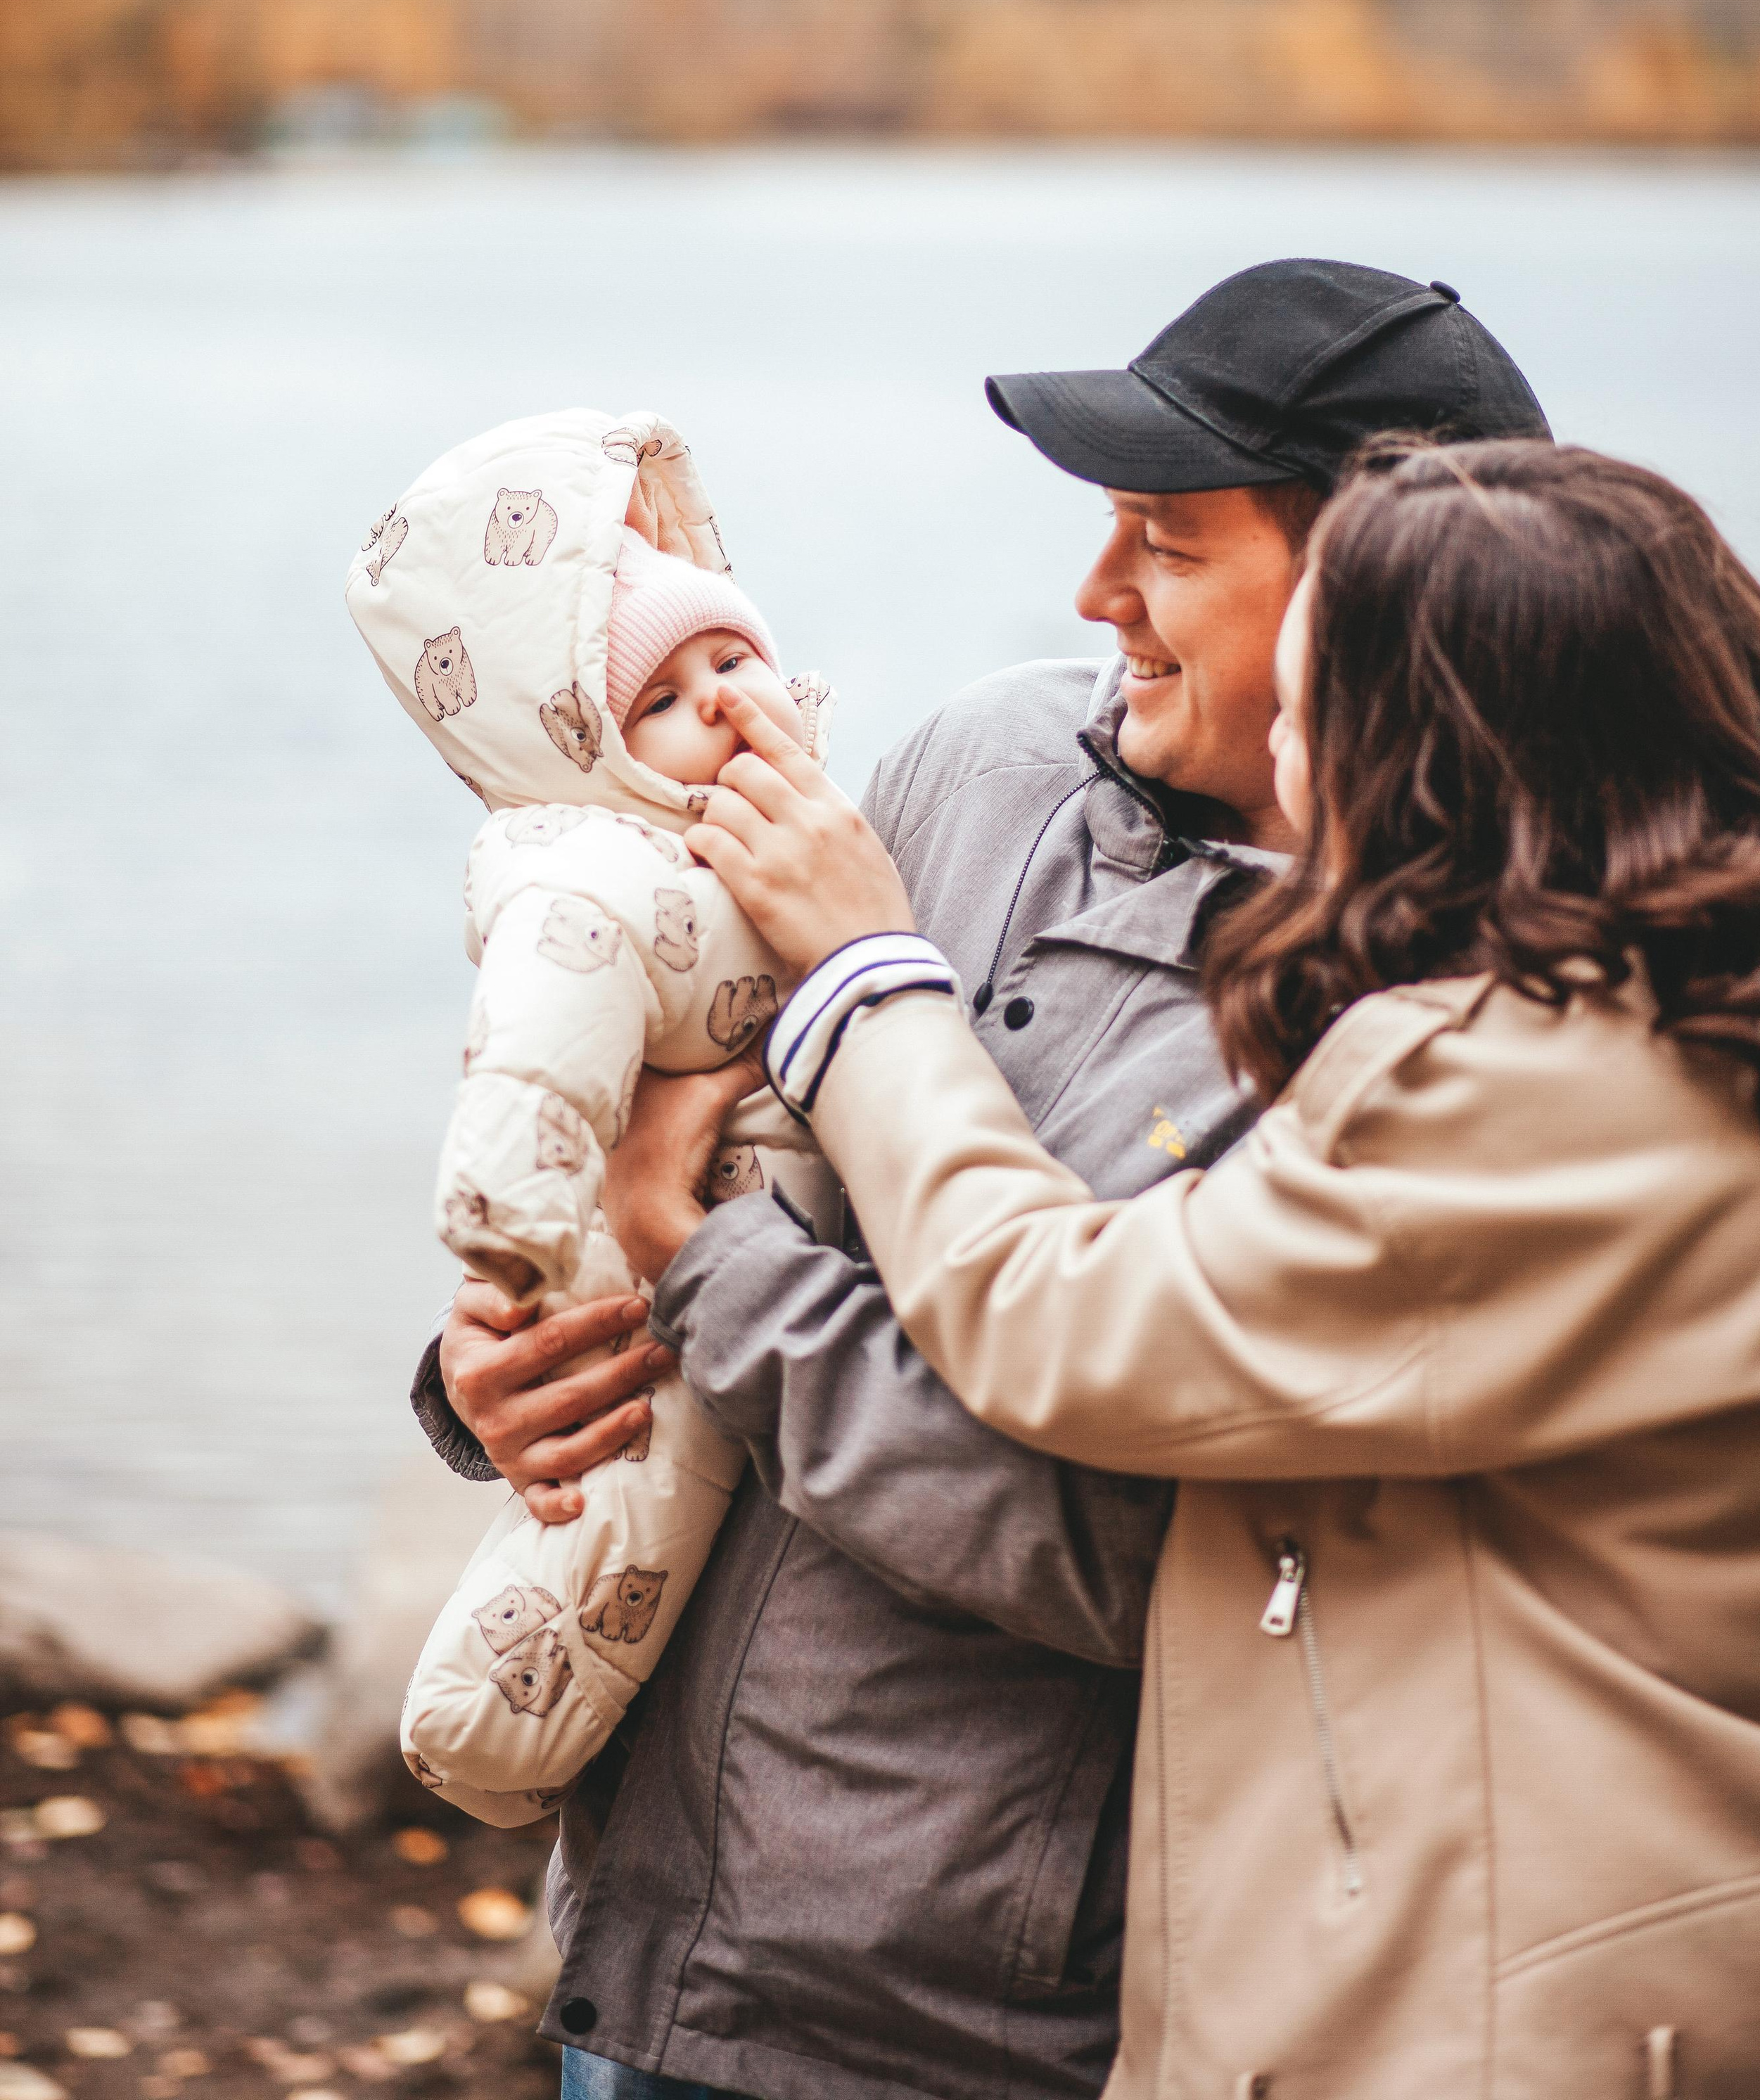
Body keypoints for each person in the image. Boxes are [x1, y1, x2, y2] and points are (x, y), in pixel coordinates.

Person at [413, 262, 1550, 2099]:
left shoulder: (1439, 1020)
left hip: (950, 2027)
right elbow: (699, 1131)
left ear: (1382, 585)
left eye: (1165, 545)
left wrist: (700, 1259)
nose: (1096, 594)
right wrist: (515, 1369)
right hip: (642, 1950)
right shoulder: (990, 755)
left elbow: (1131, 1560)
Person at [635, 439, 1760, 2099]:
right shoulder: (1708, 1013)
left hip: (1505, 2028)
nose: (1288, 756)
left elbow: (1060, 1323)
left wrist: (868, 985)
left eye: (1313, 712)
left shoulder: (1539, 1085)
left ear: (1432, 753)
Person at [346, 406, 837, 1823]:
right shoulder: (594, 877)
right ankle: (485, 1734)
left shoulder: (833, 833)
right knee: (624, 1499)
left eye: (734, 660)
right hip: (647, 1292)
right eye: (665, 700)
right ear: (592, 749)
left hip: (760, 1282)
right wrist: (506, 1250)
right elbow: (536, 1065)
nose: (724, 703)